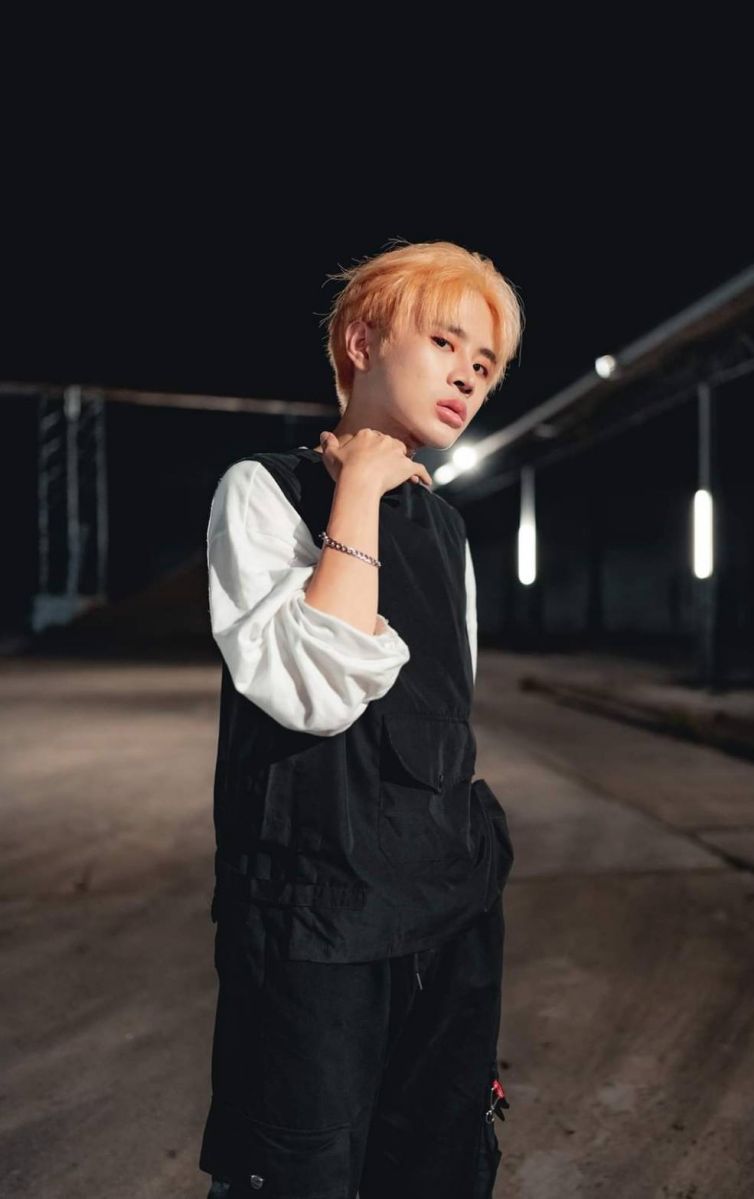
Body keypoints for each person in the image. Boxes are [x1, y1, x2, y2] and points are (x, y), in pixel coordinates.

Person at [198, 238, 524, 1197]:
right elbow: (313, 689)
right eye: (446, 341)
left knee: (438, 1162)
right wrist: (358, 488)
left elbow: (445, 714)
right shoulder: (264, 491)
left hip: (446, 909)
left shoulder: (449, 530)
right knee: (303, 1167)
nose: (467, 375)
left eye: (485, 365)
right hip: (318, 919)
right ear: (360, 341)